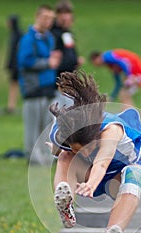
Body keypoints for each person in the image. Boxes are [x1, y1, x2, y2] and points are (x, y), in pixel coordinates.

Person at [47, 70, 141, 233]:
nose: (85, 152)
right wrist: (57, 150)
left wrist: (92, 183)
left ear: (96, 136)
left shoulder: (112, 130)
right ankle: (65, 202)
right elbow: (56, 148)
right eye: (80, 149)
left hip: (118, 175)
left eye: (88, 147)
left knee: (133, 173)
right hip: (88, 171)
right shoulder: (64, 130)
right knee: (64, 156)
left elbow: (102, 164)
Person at [18, 5, 61, 164]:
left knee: (47, 126)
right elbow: (24, 61)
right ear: (37, 17)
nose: (48, 21)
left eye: (51, 18)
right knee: (33, 127)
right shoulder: (29, 38)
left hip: (48, 88)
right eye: (45, 18)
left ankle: (47, 158)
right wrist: (47, 63)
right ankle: (33, 159)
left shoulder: (49, 37)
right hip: (33, 88)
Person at [51, 0, 85, 79]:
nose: (64, 17)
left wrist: (76, 60)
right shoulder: (52, 33)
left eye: (67, 13)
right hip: (58, 77)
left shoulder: (67, 32)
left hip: (70, 74)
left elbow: (69, 51)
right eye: (62, 13)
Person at [5, 15, 22, 114]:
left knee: (15, 84)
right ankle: (11, 105)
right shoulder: (14, 34)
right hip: (15, 65)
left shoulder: (17, 35)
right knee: (13, 84)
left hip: (17, 65)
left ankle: (12, 105)